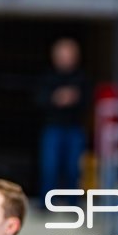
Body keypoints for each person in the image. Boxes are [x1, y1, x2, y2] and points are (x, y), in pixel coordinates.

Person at [37, 38, 90, 204]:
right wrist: (56, 98)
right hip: (52, 127)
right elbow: (38, 99)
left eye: (68, 55)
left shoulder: (82, 77)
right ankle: (46, 202)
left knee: (73, 168)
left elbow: (89, 102)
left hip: (75, 128)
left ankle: (72, 203)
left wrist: (75, 98)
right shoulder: (47, 77)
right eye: (62, 55)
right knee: (49, 167)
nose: (65, 59)